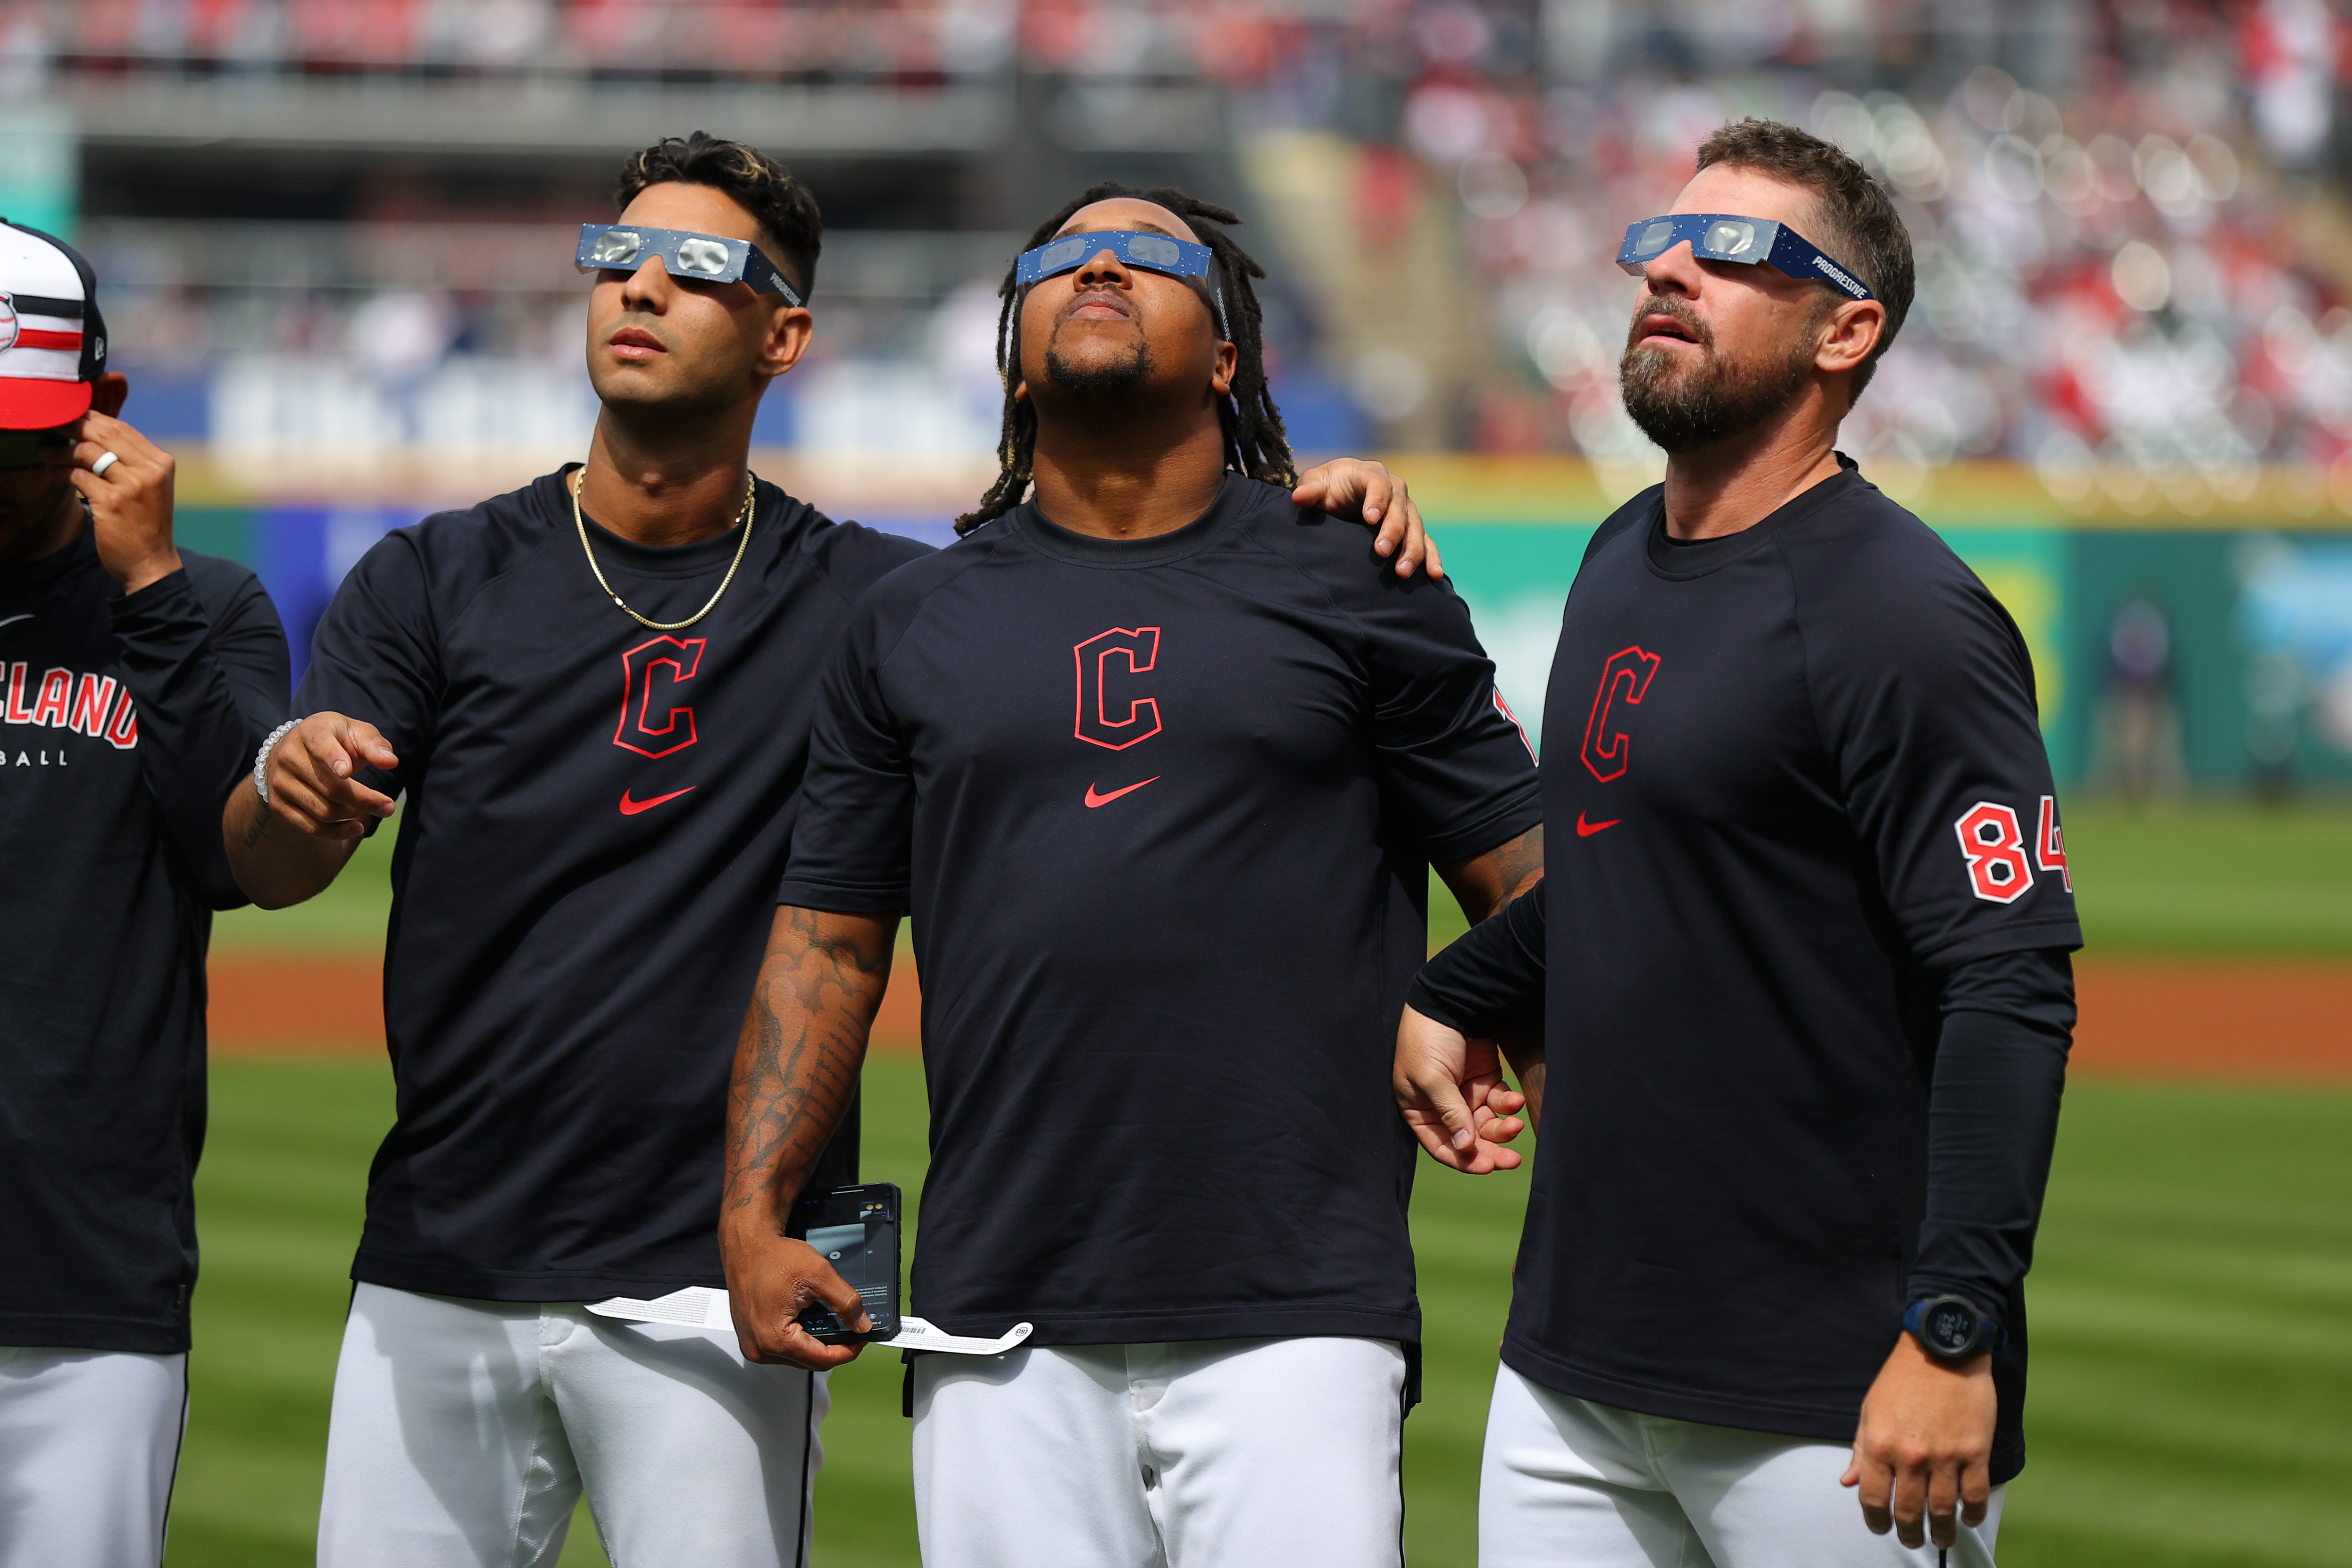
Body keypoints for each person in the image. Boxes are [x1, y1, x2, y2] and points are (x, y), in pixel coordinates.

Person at [219, 137, 1438, 1568]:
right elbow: (269, 868)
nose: (643, 291)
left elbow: (1099, 581)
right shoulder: (427, 576)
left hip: (706, 1285)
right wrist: (281, 785)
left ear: (784, 333)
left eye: (703, 269)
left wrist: (1318, 501)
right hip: (438, 1257)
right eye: (617, 260)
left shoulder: (886, 606)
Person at [721, 182, 1545, 1568]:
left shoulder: (1357, 576)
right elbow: (828, 946)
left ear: (1226, 353)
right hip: (1001, 1314)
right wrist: (749, 1214)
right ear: (1008, 343)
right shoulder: (906, 623)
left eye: (1151, 256)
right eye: (1058, 258)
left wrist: (1459, 999)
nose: (1098, 264)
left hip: (1296, 1309)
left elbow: (1534, 880)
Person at [1394, 119, 2080, 1568]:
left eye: (1737, 254)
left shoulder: (1905, 614)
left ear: (1849, 330)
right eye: (1661, 243)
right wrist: (1454, 991)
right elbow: (1628, 870)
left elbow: (2009, 983)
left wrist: (1952, 1335)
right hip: (1571, 1374)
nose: (1671, 272)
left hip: (1829, 1398)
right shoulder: (1617, 554)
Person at [0, 219, 291, 1568]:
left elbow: (230, 856)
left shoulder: (207, 609)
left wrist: (155, 591)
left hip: (89, 1275)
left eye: (19, 430)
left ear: (97, 415)